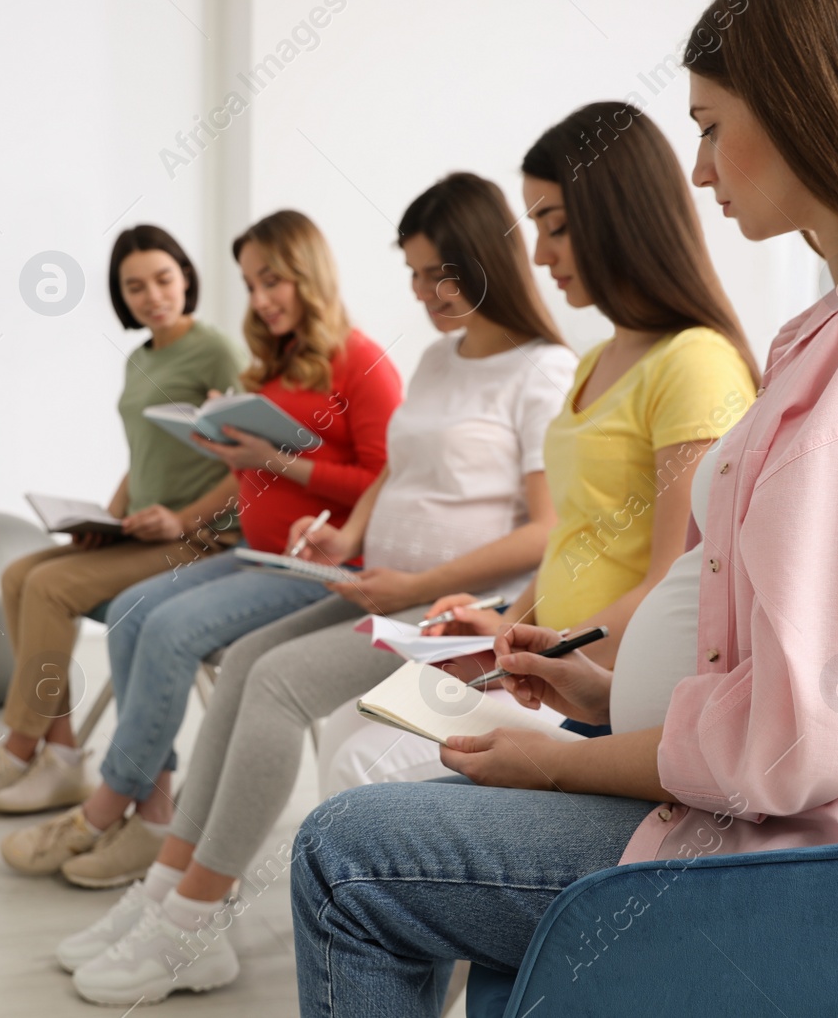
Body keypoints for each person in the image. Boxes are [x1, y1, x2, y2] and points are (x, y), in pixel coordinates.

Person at [289, 0, 838, 1014]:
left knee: (346, 855)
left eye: (708, 124)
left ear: (803, 106)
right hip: (789, 795)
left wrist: (559, 763)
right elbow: (803, 663)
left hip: (825, 846)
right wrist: (604, 696)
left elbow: (808, 735)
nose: (699, 170)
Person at [55, 171, 578, 1005]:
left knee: (276, 686)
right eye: (412, 273)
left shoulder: (543, 371)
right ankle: (164, 890)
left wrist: (420, 580)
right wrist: (349, 531)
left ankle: (194, 921)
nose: (426, 292)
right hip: (376, 579)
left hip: (443, 607)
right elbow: (396, 470)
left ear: (489, 261)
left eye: (440, 271)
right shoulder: (441, 359)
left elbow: (546, 531)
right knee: (250, 663)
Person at [319, 103, 759, 795]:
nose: (539, 254)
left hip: (606, 692)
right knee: (349, 726)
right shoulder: (598, 362)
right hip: (552, 664)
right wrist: (503, 622)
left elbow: (671, 586)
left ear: (621, 215)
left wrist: (536, 655)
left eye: (555, 226)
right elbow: (572, 540)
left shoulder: (694, 364)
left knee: (360, 762)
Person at [0, 210, 403, 888]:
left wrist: (270, 458)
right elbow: (254, 473)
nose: (262, 298)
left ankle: (104, 810)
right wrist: (225, 442)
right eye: (250, 284)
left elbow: (383, 479)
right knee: (132, 609)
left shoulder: (360, 360)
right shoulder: (269, 366)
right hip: (255, 554)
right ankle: (150, 811)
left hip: (319, 566)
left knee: (168, 627)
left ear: (310, 272)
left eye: (272, 280)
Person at [0, 225, 242, 816]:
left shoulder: (217, 352)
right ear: (121, 296)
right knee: (19, 575)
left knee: (50, 587)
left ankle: (19, 751)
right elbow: (144, 457)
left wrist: (180, 519)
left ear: (186, 278)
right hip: (144, 528)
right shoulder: (139, 358)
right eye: (134, 287)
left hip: (202, 540)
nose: (151, 295)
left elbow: (249, 466)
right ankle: (63, 753)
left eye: (163, 279)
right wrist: (106, 517)